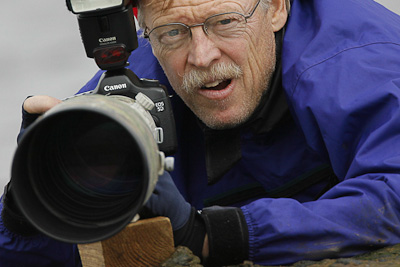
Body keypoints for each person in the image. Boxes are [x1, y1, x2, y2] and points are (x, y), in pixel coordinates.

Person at [2, 0, 400, 265]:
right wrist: (31, 209)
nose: (202, 55)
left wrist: (210, 234)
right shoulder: (131, 94)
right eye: (173, 32)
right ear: (144, 31)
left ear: (277, 7)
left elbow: (393, 195)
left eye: (225, 22)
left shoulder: (358, 65)